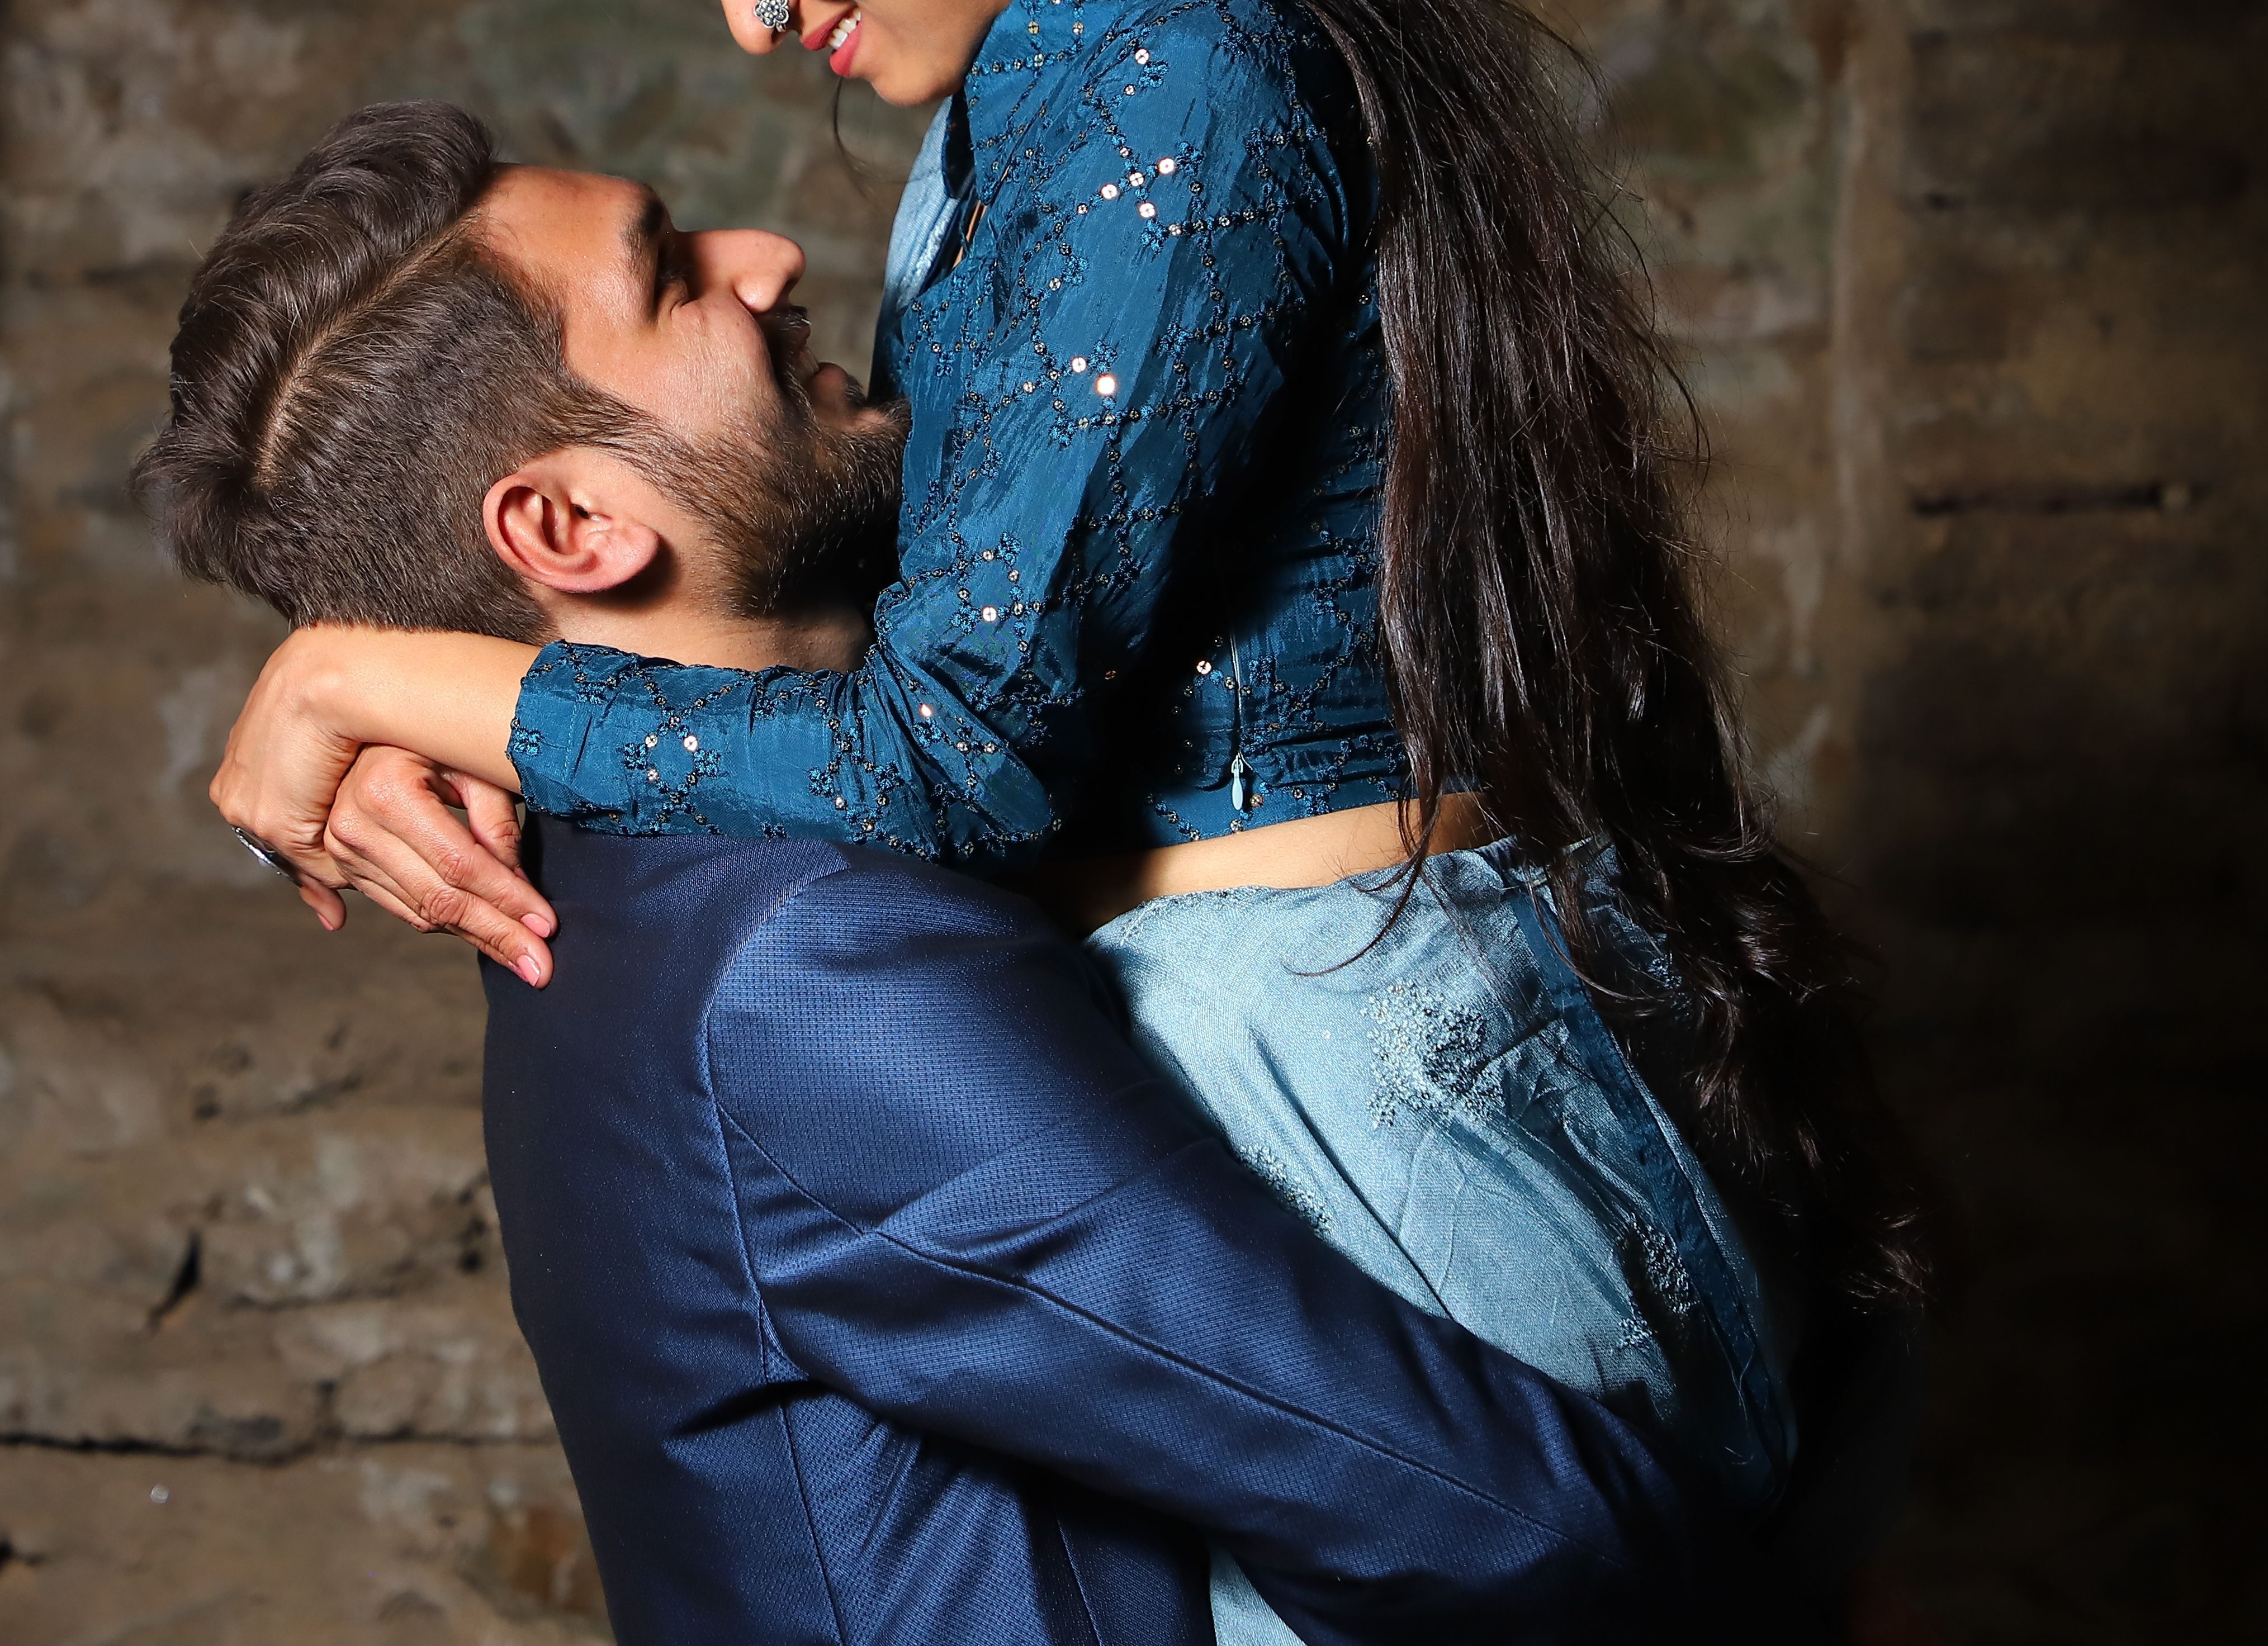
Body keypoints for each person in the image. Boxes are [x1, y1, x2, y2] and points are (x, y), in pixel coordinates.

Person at [201, 0, 1930, 1621]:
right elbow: (900, 614)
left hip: (1342, 1047)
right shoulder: (1044, 94)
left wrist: (387, 680)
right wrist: (447, 703)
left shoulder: (1165, 74)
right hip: (1273, 1046)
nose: (744, 15)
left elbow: (958, 754)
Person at [134, 102, 1765, 1643]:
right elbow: (1491, 1516)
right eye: (672, 279)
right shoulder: (805, 963)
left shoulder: (665, 870)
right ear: (570, 531)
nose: (765, 256)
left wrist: (355, 686)